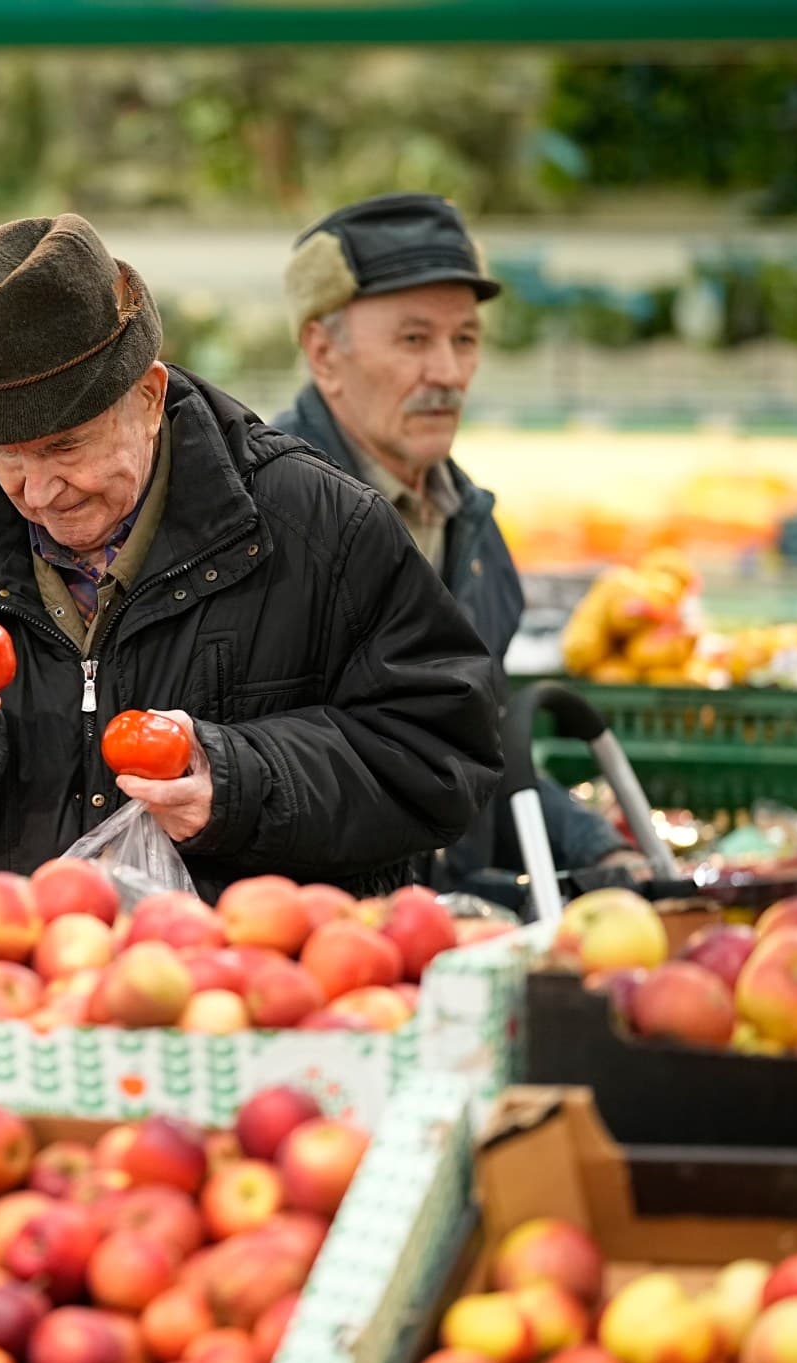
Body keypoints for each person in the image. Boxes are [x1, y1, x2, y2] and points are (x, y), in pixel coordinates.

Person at [0, 213, 501, 900]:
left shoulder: (327, 530)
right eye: (10, 457)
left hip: (254, 988)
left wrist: (234, 781)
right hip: (29, 986)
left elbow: (441, 758)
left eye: (65, 447)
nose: (41, 491)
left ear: (147, 396)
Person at [271, 193, 631, 883]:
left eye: (464, 339)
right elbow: (287, 788)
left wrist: (596, 851)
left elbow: (468, 755)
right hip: (322, 944)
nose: (447, 373)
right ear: (323, 353)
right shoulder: (267, 527)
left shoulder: (472, 529)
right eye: (414, 340)